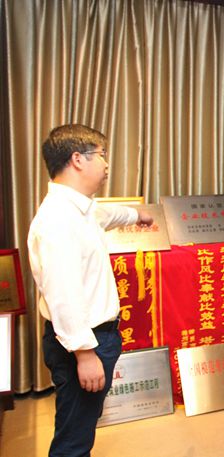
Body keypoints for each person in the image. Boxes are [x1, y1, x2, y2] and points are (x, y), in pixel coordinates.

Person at [27, 124, 153, 456]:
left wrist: (137, 215)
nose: (107, 164)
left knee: (80, 425)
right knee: (74, 439)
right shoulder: (58, 220)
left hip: (95, 338)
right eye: (102, 154)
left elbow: (106, 215)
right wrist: (85, 354)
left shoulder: (79, 209)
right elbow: (63, 295)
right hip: (84, 343)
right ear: (77, 159)